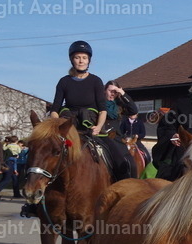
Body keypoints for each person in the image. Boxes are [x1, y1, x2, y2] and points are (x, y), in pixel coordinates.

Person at [48, 41, 134, 181]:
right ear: (71, 59)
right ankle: (36, 198)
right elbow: (55, 109)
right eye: (77, 57)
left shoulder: (95, 81)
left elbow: (102, 110)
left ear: (89, 61)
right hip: (70, 126)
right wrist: (58, 125)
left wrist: (99, 127)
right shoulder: (64, 82)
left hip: (91, 127)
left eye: (84, 57)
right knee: (43, 156)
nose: (81, 61)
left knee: (121, 162)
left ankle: (123, 189)